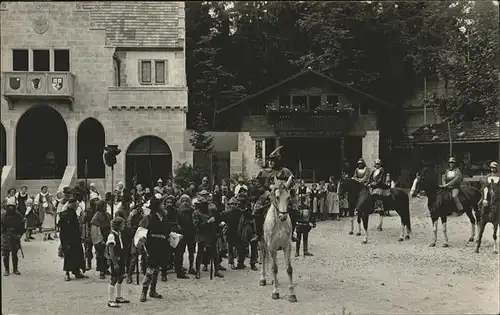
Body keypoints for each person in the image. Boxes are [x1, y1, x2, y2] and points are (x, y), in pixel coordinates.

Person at [251, 145, 296, 243]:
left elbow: (292, 181)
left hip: (282, 195)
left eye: (273, 160)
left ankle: (291, 233)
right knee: (256, 209)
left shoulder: (285, 171)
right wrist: (265, 191)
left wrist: (285, 187)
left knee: (294, 209)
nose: (270, 162)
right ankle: (258, 234)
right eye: (269, 160)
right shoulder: (263, 172)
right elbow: (256, 184)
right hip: (267, 195)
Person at [134, 196, 170, 302]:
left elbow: (167, 230)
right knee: (150, 270)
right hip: (151, 247)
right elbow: (141, 232)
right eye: (162, 204)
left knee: (156, 270)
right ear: (157, 206)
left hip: (162, 246)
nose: (163, 206)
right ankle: (143, 292)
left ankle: (152, 290)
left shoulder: (164, 217)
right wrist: (141, 243)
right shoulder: (148, 218)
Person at [193, 190, 224, 279]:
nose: (205, 206)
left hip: (211, 234)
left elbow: (217, 220)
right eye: (203, 204)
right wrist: (207, 222)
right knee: (200, 253)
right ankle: (198, 271)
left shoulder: (211, 211)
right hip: (202, 235)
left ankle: (217, 270)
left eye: (206, 204)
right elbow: (197, 226)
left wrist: (217, 224)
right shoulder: (196, 213)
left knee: (215, 253)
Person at [58, 194, 88, 281]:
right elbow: (63, 228)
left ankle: (76, 271)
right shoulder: (65, 214)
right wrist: (64, 242)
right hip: (68, 238)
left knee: (77, 254)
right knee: (69, 255)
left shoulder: (74, 214)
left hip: (75, 237)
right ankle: (67, 273)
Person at [105, 217, 130, 308]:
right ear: (118, 226)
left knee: (120, 277)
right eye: (122, 224)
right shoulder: (112, 236)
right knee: (114, 278)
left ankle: (118, 297)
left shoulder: (119, 234)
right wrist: (115, 263)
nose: (124, 226)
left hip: (121, 259)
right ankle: (110, 300)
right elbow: (111, 251)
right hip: (116, 260)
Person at [234, 187, 258, 270]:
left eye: (242, 200)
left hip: (250, 227)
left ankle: (253, 263)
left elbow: (254, 217)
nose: (240, 202)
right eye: (239, 200)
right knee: (240, 246)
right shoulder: (237, 209)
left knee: (253, 244)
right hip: (241, 228)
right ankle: (240, 263)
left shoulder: (250, 207)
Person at [1, 204, 25, 276]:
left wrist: (19, 235)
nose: (11, 208)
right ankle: (6, 270)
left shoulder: (18, 215)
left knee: (14, 254)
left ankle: (15, 269)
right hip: (6, 236)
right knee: (6, 254)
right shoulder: (3, 216)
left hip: (15, 236)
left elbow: (22, 226)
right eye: (9, 206)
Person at [91, 200, 112, 279]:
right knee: (100, 254)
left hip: (107, 235)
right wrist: (100, 239)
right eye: (104, 206)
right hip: (100, 236)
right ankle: (101, 271)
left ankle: (106, 268)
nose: (106, 207)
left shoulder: (106, 214)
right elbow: (95, 228)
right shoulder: (96, 216)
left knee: (106, 253)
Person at [177, 194, 196, 275]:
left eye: (186, 200)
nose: (185, 202)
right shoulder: (178, 210)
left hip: (191, 233)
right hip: (182, 233)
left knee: (191, 252)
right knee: (181, 252)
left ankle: (191, 267)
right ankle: (180, 268)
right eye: (183, 200)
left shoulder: (192, 210)